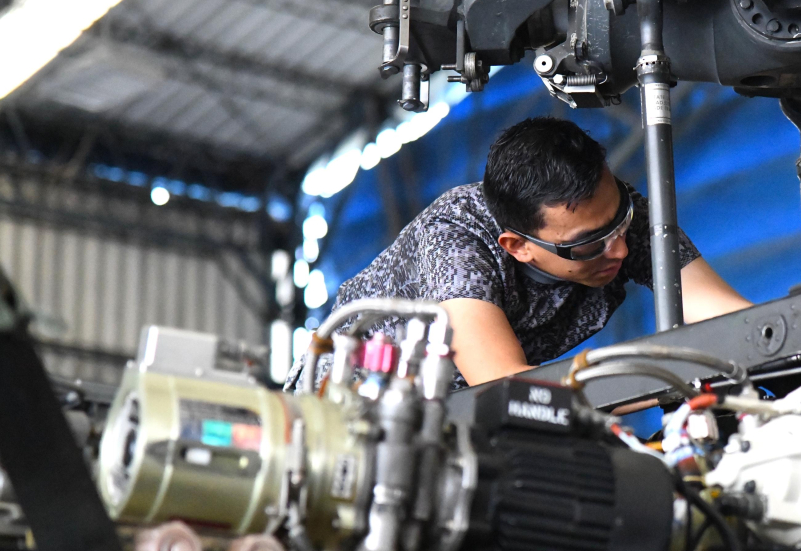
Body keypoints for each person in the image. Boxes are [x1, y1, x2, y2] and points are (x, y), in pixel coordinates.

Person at [286, 117, 751, 390]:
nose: (622, 248)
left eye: (622, 220)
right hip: (338, 410)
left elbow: (733, 319)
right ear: (519, 246)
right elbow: (504, 385)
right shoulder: (456, 239)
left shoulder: (617, 220)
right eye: (587, 244)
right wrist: (658, 383)